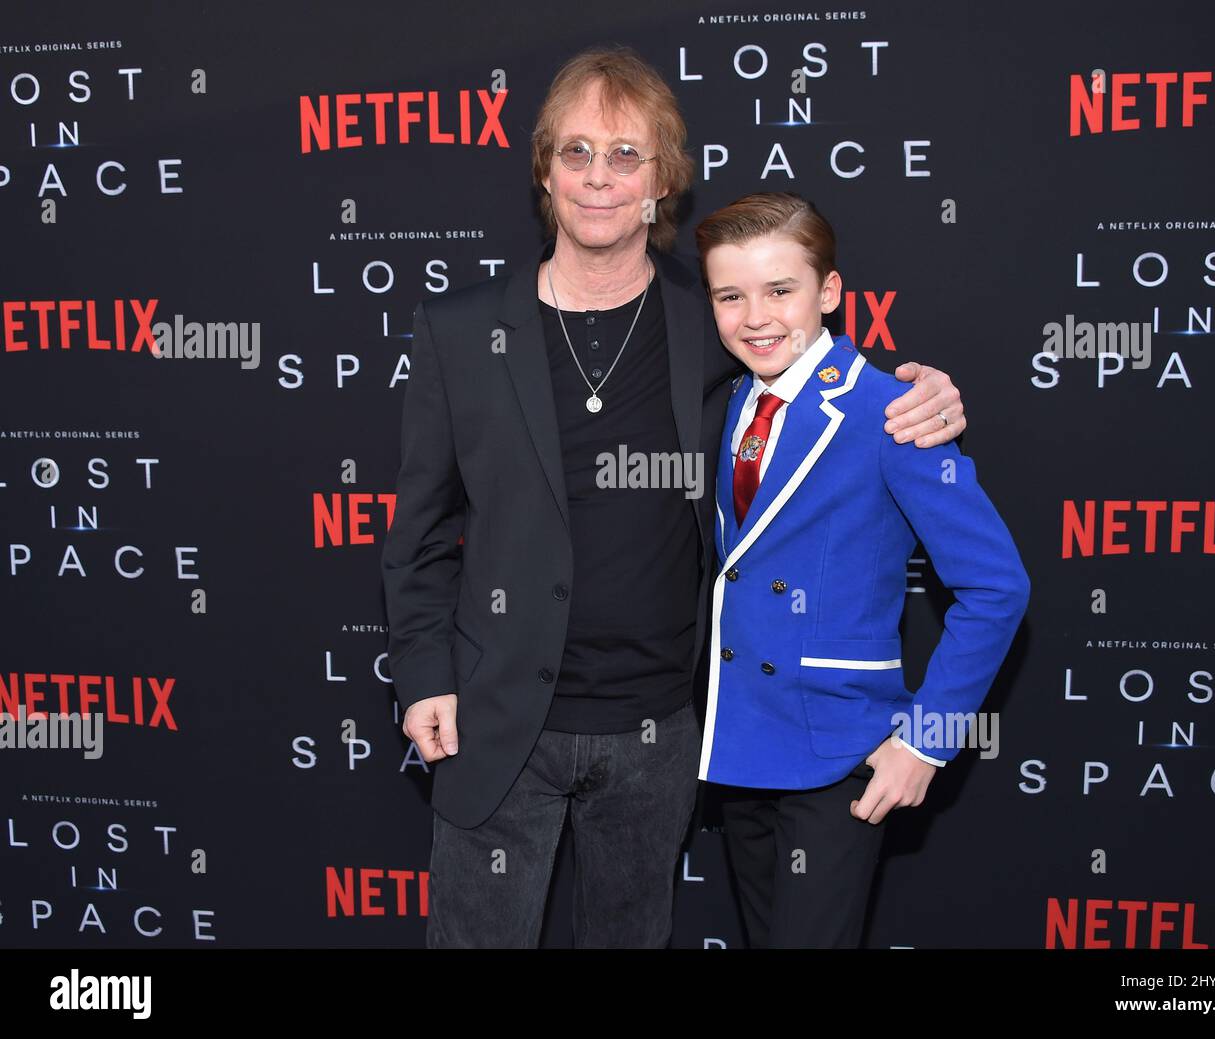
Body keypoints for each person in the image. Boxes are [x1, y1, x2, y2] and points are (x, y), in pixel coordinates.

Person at [380, 45, 969, 949]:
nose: (599, 179)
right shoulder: (460, 334)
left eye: (627, 156)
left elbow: (824, 384)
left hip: (661, 732)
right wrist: (424, 674)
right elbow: (417, 530)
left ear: (664, 180)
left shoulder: (720, 325)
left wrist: (927, 396)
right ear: (544, 169)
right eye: (576, 152)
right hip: (496, 725)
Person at [693, 190, 1030, 948]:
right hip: (737, 750)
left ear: (832, 293)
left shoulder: (893, 413)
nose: (756, 317)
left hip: (840, 754)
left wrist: (926, 740)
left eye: (781, 290)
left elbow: (998, 586)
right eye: (730, 296)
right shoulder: (722, 407)